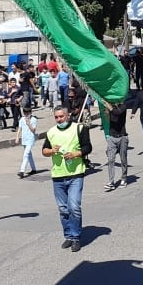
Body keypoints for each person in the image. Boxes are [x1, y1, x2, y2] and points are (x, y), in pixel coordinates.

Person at [41, 106, 92, 252]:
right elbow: (44, 150)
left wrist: (75, 154)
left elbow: (88, 147)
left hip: (76, 173)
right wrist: (51, 151)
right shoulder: (51, 132)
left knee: (74, 207)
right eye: (56, 117)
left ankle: (76, 237)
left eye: (61, 116)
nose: (59, 119)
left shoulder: (79, 128)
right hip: (58, 175)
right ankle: (68, 235)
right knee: (63, 209)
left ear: (67, 115)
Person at [104, 102, 129, 191]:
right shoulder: (110, 107)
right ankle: (111, 181)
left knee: (123, 159)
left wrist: (110, 108)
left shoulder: (123, 106)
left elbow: (117, 113)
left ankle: (124, 178)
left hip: (122, 137)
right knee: (110, 159)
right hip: (111, 137)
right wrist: (106, 111)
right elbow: (107, 118)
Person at [15, 106, 37, 178]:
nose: (26, 114)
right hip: (24, 139)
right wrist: (17, 137)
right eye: (25, 113)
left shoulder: (34, 119)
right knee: (29, 155)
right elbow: (19, 128)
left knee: (26, 154)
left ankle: (22, 171)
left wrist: (28, 124)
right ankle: (33, 169)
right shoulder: (22, 119)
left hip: (30, 139)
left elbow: (33, 130)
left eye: (28, 113)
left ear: (31, 112)